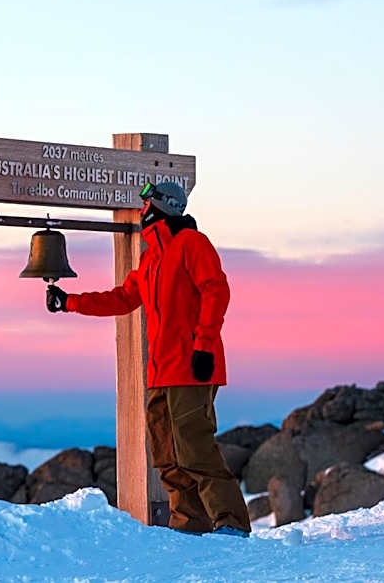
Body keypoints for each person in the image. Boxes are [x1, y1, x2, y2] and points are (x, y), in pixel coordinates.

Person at [45, 181, 251, 537]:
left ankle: (231, 523)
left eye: (147, 203)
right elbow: (123, 298)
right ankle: (190, 527)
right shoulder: (151, 257)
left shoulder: (192, 243)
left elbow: (216, 291)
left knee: (195, 449)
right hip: (160, 370)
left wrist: (203, 345)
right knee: (166, 456)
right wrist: (70, 302)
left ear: (163, 206)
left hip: (192, 366)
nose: (142, 210)